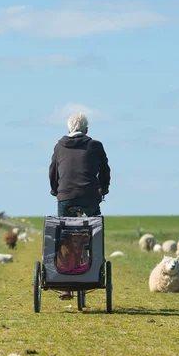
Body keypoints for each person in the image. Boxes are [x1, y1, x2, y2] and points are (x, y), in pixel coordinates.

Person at [49, 112, 111, 299]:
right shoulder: (95, 145)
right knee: (94, 233)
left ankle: (66, 283)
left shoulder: (59, 146)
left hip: (65, 197)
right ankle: (91, 271)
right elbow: (105, 170)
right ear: (86, 130)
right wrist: (104, 189)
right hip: (90, 196)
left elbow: (53, 172)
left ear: (69, 129)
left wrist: (55, 191)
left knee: (63, 237)